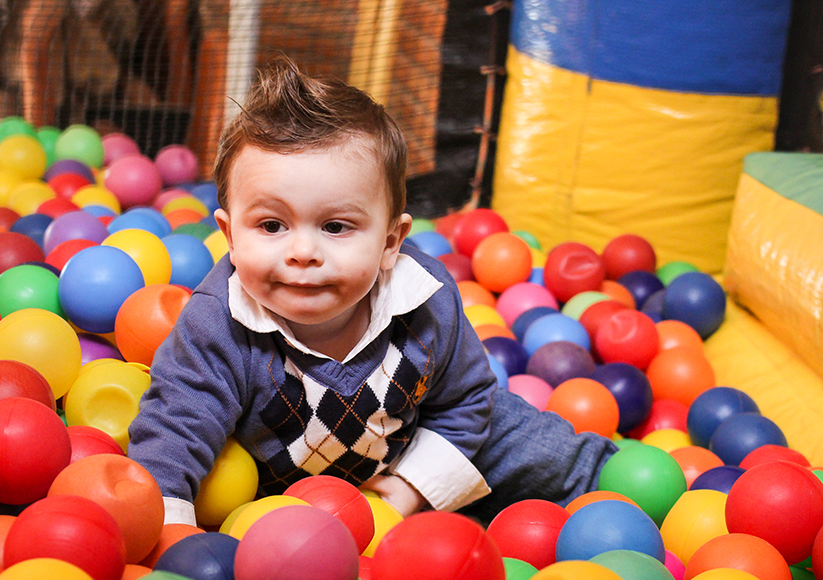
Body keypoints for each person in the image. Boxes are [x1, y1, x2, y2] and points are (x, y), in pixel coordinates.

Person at [127, 56, 617, 526]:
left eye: (336, 227)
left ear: (390, 243)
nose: (303, 251)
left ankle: (611, 485)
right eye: (272, 225)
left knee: (535, 448)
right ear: (231, 237)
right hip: (277, 482)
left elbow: (466, 403)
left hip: (413, 436)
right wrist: (169, 526)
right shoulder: (217, 324)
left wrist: (414, 485)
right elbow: (175, 428)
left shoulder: (425, 299)